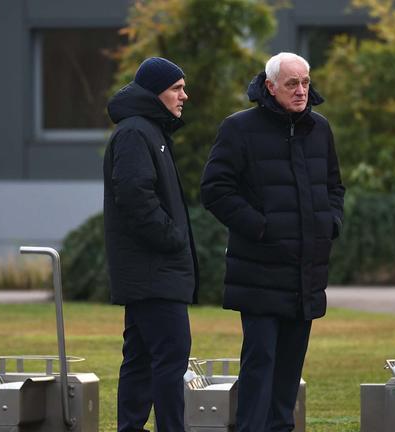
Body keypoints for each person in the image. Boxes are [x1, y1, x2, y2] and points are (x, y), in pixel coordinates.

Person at [200, 52, 345, 431]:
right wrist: (260, 228)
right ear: (270, 87)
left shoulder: (320, 128)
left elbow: (334, 186)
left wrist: (330, 223)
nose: (301, 91)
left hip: (305, 273)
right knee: (260, 364)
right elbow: (215, 190)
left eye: (306, 83)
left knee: (289, 374)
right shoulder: (239, 128)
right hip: (259, 271)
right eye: (292, 84)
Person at [104, 56, 199, 432]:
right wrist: (172, 238)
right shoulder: (135, 133)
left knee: (142, 358)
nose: (184, 96)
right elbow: (134, 197)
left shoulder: (149, 131)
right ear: (155, 93)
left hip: (154, 272)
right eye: (176, 89)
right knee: (170, 357)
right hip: (154, 272)